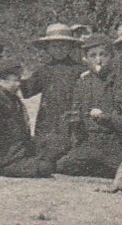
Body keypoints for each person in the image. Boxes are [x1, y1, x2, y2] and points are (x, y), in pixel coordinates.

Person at [54, 33, 122, 176]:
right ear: (86, 59)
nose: (99, 60)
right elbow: (76, 111)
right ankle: (99, 167)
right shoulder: (82, 83)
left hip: (112, 141)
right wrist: (74, 119)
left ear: (112, 57)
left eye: (103, 55)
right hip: (89, 142)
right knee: (62, 166)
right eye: (93, 56)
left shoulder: (119, 82)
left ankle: (104, 167)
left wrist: (106, 117)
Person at [20, 23, 87, 165]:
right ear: (47, 48)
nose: (59, 50)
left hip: (70, 117)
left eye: (63, 46)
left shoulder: (80, 70)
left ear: (70, 47)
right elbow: (27, 91)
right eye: (54, 46)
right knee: (46, 153)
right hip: (48, 120)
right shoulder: (44, 71)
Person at [0, 60, 55, 178]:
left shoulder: (12, 98)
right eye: (13, 81)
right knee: (45, 167)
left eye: (18, 80)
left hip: (20, 153)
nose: (18, 84)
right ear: (0, 81)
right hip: (8, 159)